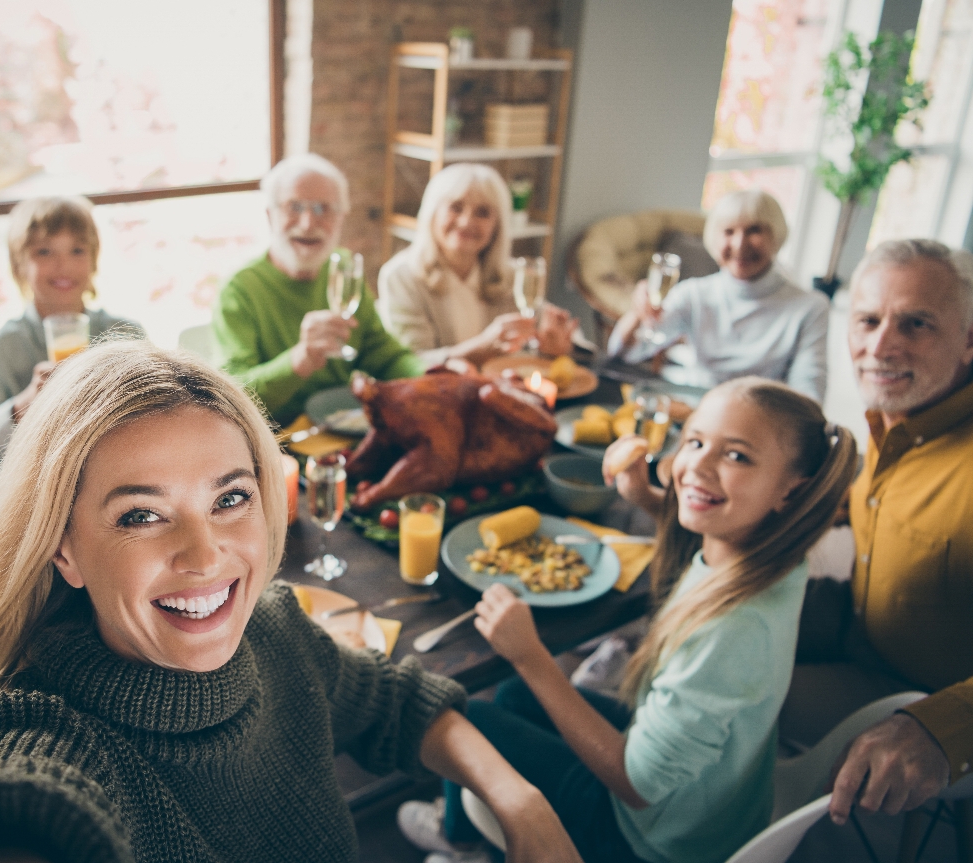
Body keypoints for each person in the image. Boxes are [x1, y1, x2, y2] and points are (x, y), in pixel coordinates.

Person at [0, 341, 582, 863]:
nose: (205, 554)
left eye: (230, 497)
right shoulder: (51, 737)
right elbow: (0, 823)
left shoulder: (273, 632)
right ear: (63, 548)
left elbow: (395, 701)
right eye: (141, 514)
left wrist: (518, 798)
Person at [401, 378, 856, 863]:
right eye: (696, 441)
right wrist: (646, 497)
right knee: (513, 694)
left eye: (737, 456)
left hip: (646, 840)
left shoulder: (735, 630)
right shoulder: (774, 557)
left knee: (465, 716)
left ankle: (462, 843)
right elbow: (709, 542)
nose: (697, 465)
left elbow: (636, 785)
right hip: (711, 803)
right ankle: (467, 826)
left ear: (791, 491)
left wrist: (532, 656)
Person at [779, 238, 973, 827]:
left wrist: (943, 730)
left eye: (916, 324)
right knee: (701, 638)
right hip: (857, 630)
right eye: (867, 320)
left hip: (925, 697)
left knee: (721, 700)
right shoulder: (893, 423)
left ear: (968, 340)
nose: (880, 346)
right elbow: (856, 507)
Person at [212, 154, 425, 426]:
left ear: (342, 218)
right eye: (294, 207)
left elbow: (381, 353)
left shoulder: (344, 269)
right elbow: (231, 398)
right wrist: (299, 359)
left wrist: (430, 374)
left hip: (343, 426)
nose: (308, 223)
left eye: (324, 209)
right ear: (270, 215)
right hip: (276, 442)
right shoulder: (239, 289)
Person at [0, 196, 144, 489]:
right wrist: (22, 407)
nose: (63, 265)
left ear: (93, 261)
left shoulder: (126, 335)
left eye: (77, 250)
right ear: (20, 266)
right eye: (44, 252)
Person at [606, 190, 830, 402]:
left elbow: (809, 398)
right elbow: (625, 352)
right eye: (729, 231)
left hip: (761, 422)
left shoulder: (810, 308)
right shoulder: (693, 294)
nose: (740, 244)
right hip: (694, 411)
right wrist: (638, 313)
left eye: (754, 230)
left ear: (776, 236)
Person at [378, 163, 577, 366]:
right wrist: (483, 346)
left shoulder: (513, 275)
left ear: (497, 226)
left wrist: (558, 347)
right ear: (432, 213)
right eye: (456, 207)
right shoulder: (401, 276)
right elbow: (412, 362)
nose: (466, 222)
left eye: (482, 213)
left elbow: (562, 336)